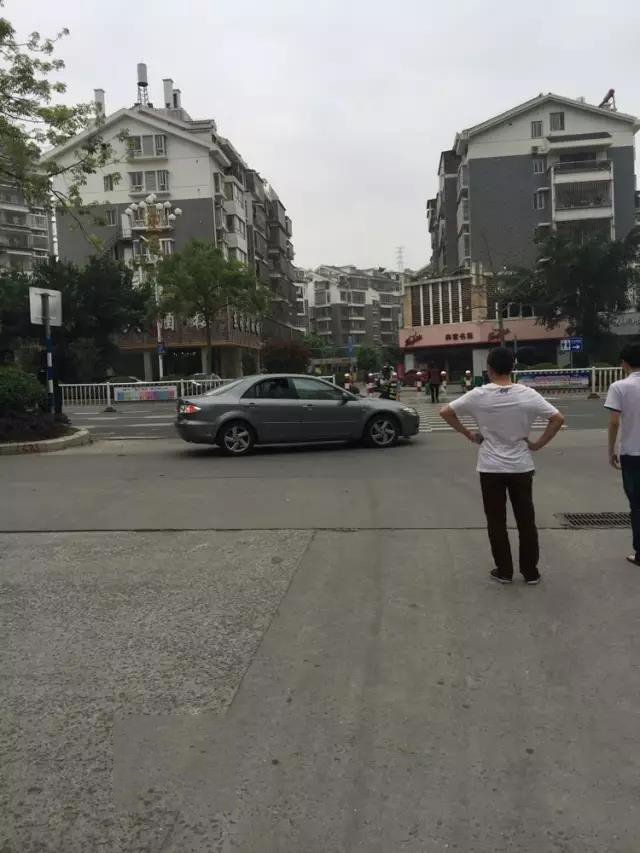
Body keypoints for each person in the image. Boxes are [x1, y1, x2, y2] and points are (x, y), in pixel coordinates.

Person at [440, 347, 565, 585]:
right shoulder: (528, 394)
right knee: (526, 520)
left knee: (496, 522)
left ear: (489, 369)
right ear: (512, 368)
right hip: (521, 467)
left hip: (490, 468)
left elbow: (446, 412)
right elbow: (557, 419)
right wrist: (537, 444)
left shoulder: (478, 395)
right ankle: (530, 572)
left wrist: (469, 434)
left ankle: (505, 571)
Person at [605, 342, 640, 566]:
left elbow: (614, 421)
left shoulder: (619, 387)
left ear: (623, 363)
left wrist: (611, 450)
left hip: (632, 452)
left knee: (637, 504)